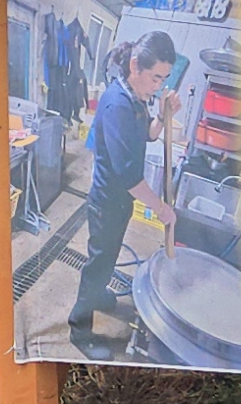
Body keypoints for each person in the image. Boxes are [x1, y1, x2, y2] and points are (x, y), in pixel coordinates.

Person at [71, 30, 178, 349]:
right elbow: (129, 177)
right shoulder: (116, 104)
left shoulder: (137, 98)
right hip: (108, 200)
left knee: (110, 254)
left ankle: (100, 294)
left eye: (164, 79)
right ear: (135, 66)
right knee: (98, 262)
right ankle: (80, 331)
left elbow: (149, 134)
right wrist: (161, 208)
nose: (158, 85)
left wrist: (164, 115)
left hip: (120, 202)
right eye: (155, 77)